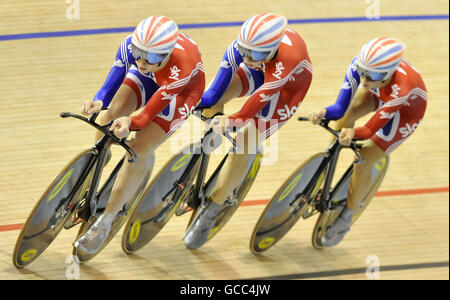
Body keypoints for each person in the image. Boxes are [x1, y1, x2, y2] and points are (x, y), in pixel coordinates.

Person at [74, 16, 205, 254]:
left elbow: (146, 116)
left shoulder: (182, 66)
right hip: (154, 78)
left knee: (138, 149)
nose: (142, 61)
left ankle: (105, 222)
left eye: (152, 57)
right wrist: (99, 102)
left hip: (181, 92)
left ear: (165, 55)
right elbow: (110, 86)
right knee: (109, 117)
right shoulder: (131, 48)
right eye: (138, 52)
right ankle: (99, 161)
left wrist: (130, 123)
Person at [183, 13, 313, 250]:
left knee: (245, 139)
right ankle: (211, 142)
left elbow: (256, 103)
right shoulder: (246, 50)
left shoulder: (288, 57)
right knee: (214, 100)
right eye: (244, 51)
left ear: (273, 48)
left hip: (286, 90)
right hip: (262, 73)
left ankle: (213, 210)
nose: (249, 58)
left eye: (257, 54)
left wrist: (231, 121)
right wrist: (201, 103)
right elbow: (214, 91)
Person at [308, 37, 427, 247]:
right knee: (349, 114)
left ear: (388, 73)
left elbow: (370, 129)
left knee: (364, 159)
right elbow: (340, 108)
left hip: (404, 113)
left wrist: (353, 134)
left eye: (370, 75)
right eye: (362, 72)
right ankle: (329, 161)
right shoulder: (363, 69)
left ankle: (347, 217)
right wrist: (324, 112)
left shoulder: (403, 86)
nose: (363, 80)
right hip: (382, 93)